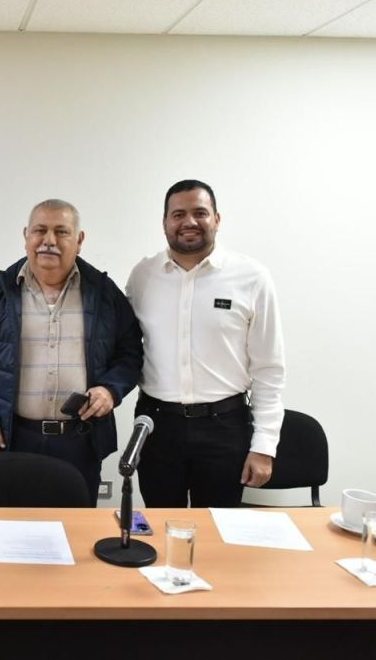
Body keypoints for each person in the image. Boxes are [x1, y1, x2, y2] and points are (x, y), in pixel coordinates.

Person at [0, 199, 143, 506]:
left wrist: (110, 390)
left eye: (61, 231)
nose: (49, 241)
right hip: (13, 437)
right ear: (26, 235)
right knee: (14, 525)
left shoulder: (103, 294)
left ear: (79, 240)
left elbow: (130, 352)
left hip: (80, 441)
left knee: (76, 527)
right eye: (40, 230)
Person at [125, 179, 286, 508]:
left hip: (224, 428)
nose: (189, 222)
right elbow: (126, 348)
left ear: (217, 219)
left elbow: (269, 369)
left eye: (200, 212)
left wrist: (264, 446)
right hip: (158, 425)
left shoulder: (252, 277)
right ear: (165, 222)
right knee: (159, 523)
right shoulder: (143, 275)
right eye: (178, 214)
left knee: (218, 529)